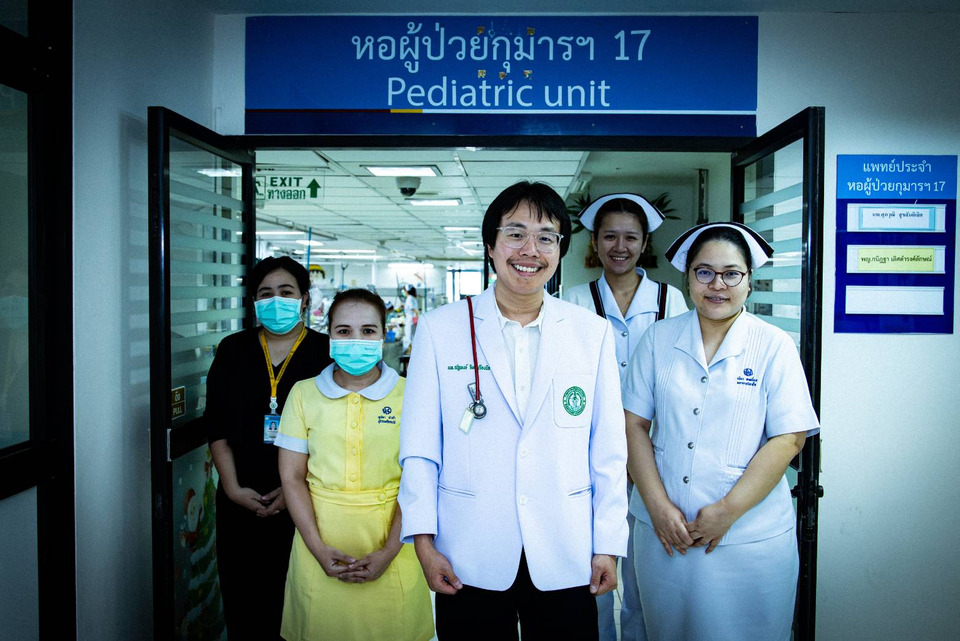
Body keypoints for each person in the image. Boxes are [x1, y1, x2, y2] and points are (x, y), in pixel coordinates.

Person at [398, 181, 629, 641]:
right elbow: (420, 447)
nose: (530, 250)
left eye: (546, 237)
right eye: (516, 234)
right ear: (490, 245)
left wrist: (608, 543)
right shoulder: (442, 329)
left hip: (567, 548)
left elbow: (607, 449)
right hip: (469, 549)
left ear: (560, 250)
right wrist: (424, 542)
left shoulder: (590, 333)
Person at [622, 222, 821, 641]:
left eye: (731, 274)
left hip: (750, 538)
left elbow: (790, 438)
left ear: (749, 280)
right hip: (665, 534)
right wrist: (657, 507)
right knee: (665, 630)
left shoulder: (773, 345)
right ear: (688, 276)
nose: (717, 285)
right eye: (704, 272)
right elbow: (632, 424)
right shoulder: (658, 339)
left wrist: (728, 511)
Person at [563, 193, 687, 641]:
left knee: (644, 578)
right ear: (594, 242)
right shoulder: (574, 301)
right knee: (593, 572)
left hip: (655, 456)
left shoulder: (672, 300)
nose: (620, 247)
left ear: (644, 243)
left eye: (630, 237)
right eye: (609, 236)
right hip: (589, 455)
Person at [276, 288, 433, 641]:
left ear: (383, 334)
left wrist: (388, 552)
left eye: (368, 330)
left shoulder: (412, 395)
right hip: (317, 548)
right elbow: (292, 477)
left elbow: (418, 480)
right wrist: (318, 549)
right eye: (344, 331)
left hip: (394, 549)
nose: (356, 340)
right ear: (329, 334)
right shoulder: (303, 394)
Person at [206, 256, 332, 641]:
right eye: (266, 294)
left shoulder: (327, 353)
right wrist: (231, 488)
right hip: (239, 498)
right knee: (244, 605)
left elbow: (335, 434)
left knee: (297, 607)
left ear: (305, 298)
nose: (276, 301)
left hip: (306, 502)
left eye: (286, 292)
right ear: (254, 302)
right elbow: (216, 425)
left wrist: (295, 489)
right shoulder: (233, 349)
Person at [401, 284, 418, 353]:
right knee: (411, 337)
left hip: (411, 320)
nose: (403, 291)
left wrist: (418, 318)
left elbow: (414, 310)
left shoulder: (410, 298)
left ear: (407, 291)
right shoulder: (411, 298)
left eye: (404, 290)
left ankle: (409, 352)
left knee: (409, 337)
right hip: (412, 319)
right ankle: (410, 351)